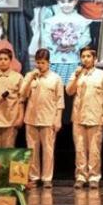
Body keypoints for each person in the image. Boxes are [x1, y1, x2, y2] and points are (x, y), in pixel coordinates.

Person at [66, 47, 103, 189]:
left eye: (88, 56)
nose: (85, 59)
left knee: (94, 150)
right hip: (78, 117)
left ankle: (94, 177)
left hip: (95, 116)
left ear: (94, 59)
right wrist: (76, 76)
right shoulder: (77, 74)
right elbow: (69, 91)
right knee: (80, 149)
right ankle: (81, 176)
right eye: (83, 56)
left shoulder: (101, 75)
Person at [20, 48, 64, 189]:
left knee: (48, 150)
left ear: (48, 63)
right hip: (31, 118)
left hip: (48, 119)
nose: (40, 65)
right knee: (32, 149)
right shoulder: (30, 76)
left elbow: (60, 101)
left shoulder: (56, 78)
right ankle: (34, 177)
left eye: (42, 63)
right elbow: (22, 94)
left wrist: (58, 119)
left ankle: (47, 178)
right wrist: (29, 78)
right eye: (38, 62)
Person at [41, 0, 91, 83]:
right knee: (54, 86)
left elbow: (86, 37)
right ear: (58, 1)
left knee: (72, 86)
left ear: (76, 1)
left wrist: (75, 46)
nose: (66, 5)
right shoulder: (52, 21)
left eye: (70, 1)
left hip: (74, 60)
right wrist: (56, 46)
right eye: (63, 2)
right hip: (55, 59)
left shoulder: (81, 20)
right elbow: (46, 37)